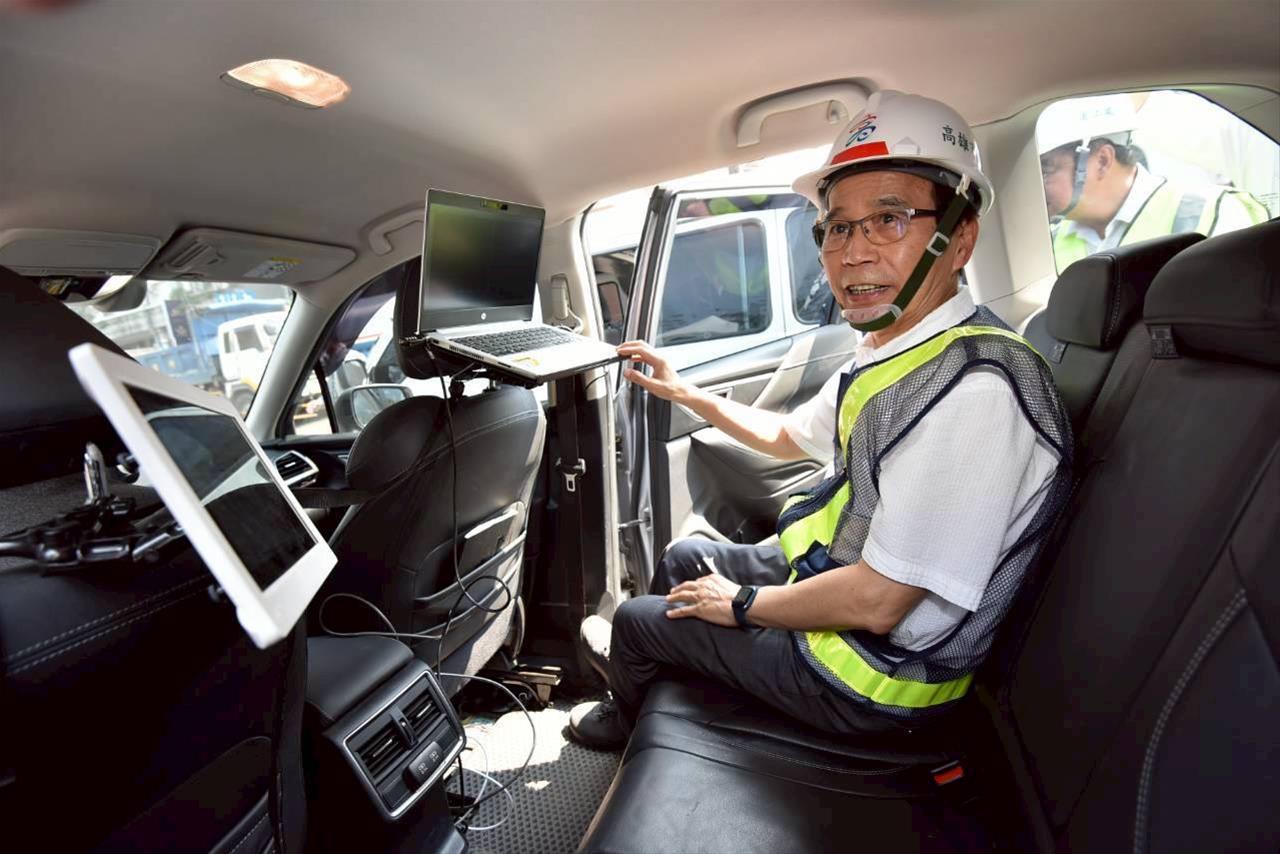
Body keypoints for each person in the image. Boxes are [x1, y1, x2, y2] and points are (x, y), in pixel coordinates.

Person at [567, 90, 1075, 750]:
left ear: (960, 239)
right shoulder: (894, 349)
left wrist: (742, 606)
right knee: (687, 558)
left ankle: (633, 709)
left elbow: (880, 601)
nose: (852, 253)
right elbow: (786, 437)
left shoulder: (977, 390)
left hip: (880, 678)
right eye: (837, 227)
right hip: (850, 607)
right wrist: (684, 391)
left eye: (888, 220)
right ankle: (676, 680)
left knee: (638, 621)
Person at [1038, 94, 1269, 271]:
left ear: (1102, 160)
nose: (1036, 188)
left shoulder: (1215, 213)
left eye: (1046, 170)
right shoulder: (1052, 242)